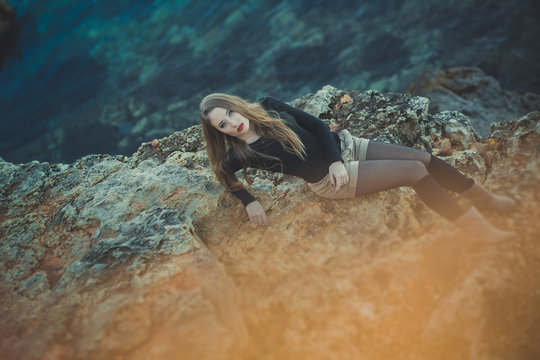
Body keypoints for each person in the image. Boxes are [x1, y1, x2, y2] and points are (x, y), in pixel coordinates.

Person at [199, 93, 516, 242]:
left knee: (424, 158)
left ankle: (483, 199)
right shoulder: (243, 154)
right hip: (330, 182)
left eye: (229, 113)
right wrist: (249, 200)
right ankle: (477, 230)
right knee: (416, 173)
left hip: (346, 147)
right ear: (219, 131)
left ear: (235, 104)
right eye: (223, 124)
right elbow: (222, 174)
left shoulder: (268, 105)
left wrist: (337, 158)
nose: (232, 123)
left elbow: (317, 126)